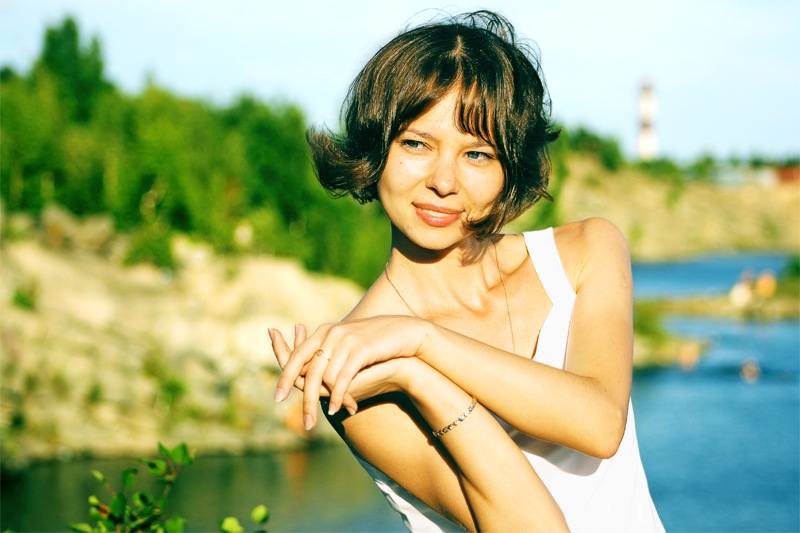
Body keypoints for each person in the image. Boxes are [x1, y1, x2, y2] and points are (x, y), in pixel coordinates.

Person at [270, 10, 664, 532]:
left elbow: (599, 425)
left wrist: (422, 344)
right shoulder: (357, 373)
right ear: (376, 149)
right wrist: (417, 378)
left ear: (508, 168)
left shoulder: (584, 254)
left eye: (477, 154)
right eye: (416, 144)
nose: (444, 181)